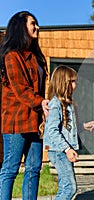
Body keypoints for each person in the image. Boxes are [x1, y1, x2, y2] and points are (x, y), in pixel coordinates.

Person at [0, 11, 50, 200]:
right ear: (21, 27)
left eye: (37, 24)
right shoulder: (12, 56)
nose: (37, 27)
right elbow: (20, 88)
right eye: (33, 23)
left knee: (34, 168)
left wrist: (42, 108)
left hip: (34, 121)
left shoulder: (35, 57)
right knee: (11, 169)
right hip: (16, 121)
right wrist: (40, 102)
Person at [42, 65, 94, 200]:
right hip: (58, 151)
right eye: (72, 82)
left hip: (62, 150)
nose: (75, 85)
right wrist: (67, 149)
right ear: (63, 83)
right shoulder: (56, 104)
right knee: (70, 187)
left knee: (64, 187)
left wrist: (83, 126)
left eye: (76, 82)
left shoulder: (67, 104)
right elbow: (52, 131)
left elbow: (66, 129)